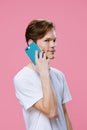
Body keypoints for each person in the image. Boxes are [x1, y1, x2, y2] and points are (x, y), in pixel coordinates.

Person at [13, 19, 73, 130]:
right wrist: (44, 72)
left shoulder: (59, 75)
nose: (53, 45)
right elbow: (51, 111)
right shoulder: (22, 78)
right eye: (47, 40)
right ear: (32, 44)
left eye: (54, 40)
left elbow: (64, 113)